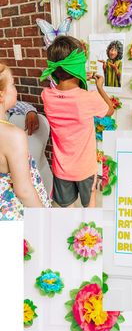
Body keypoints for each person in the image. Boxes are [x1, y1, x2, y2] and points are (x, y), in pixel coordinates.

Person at [40, 35, 114, 208]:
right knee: (90, 206)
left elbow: (60, 89)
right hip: (85, 169)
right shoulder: (88, 98)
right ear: (78, 67)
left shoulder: (46, 96)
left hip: (61, 169)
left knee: (68, 210)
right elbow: (110, 110)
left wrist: (75, 78)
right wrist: (100, 87)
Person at [0, 63, 51, 220]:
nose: (16, 89)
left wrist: (30, 110)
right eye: (13, 84)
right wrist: (44, 217)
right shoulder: (13, 135)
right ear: (1, 94)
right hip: (15, 213)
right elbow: (23, 191)